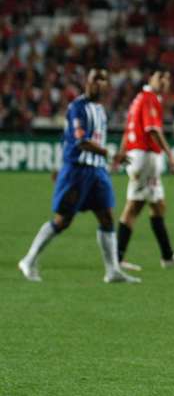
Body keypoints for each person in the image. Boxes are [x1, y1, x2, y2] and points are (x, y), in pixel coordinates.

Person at [18, 68, 140, 284]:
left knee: (106, 217)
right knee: (63, 220)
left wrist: (105, 160)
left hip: (97, 171)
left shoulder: (101, 110)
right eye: (95, 79)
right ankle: (28, 260)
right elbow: (80, 141)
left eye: (103, 80)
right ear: (87, 82)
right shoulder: (77, 107)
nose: (99, 84)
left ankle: (112, 271)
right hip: (77, 171)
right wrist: (111, 154)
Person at [111, 70, 174, 271]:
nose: (164, 81)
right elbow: (153, 130)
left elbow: (128, 129)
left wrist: (122, 153)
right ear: (150, 79)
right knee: (133, 208)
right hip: (145, 157)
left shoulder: (138, 99)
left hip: (139, 156)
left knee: (157, 206)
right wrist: (170, 154)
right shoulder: (149, 99)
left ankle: (167, 256)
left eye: (167, 78)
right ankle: (116, 259)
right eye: (159, 77)